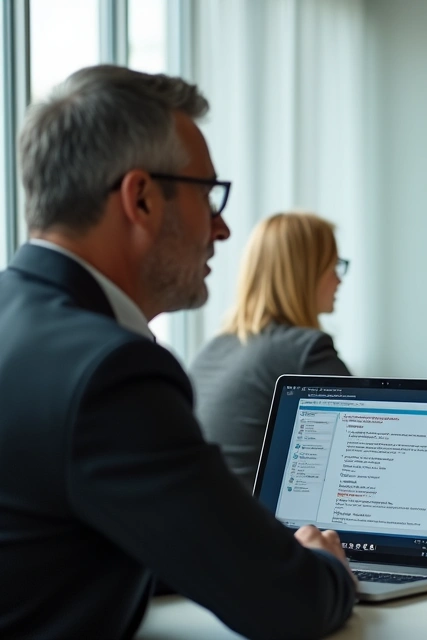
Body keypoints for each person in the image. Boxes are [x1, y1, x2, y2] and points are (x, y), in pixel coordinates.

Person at [0, 66, 355, 638]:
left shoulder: (23, 327)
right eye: (208, 195)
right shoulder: (109, 373)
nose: (221, 228)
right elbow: (291, 605)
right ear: (140, 198)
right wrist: (326, 567)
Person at [190, 212, 352, 491]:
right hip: (255, 529)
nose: (339, 280)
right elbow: (362, 442)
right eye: (333, 266)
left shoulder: (211, 350)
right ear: (307, 272)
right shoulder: (306, 352)